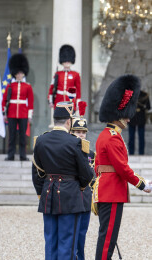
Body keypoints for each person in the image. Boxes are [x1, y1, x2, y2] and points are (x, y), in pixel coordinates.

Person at [94, 75, 151, 260]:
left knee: (108, 239)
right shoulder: (111, 137)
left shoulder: (108, 135)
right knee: (107, 239)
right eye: (125, 116)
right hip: (111, 192)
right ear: (118, 115)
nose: (128, 119)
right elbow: (122, 168)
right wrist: (142, 184)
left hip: (109, 191)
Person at [32, 101, 93, 260]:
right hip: (70, 195)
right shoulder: (75, 142)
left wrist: (41, 193)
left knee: (50, 241)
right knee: (67, 243)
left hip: (48, 194)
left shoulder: (41, 140)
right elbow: (87, 174)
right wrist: (78, 187)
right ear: (68, 121)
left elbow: (38, 172)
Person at [70, 101, 95, 260]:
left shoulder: (91, 153)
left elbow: (95, 175)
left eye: (83, 132)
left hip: (86, 197)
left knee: (82, 233)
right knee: (70, 233)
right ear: (71, 131)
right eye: (77, 131)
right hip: (71, 196)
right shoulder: (68, 150)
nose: (81, 134)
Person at [2, 53, 34, 161]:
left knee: (22, 136)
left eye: (21, 73)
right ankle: (10, 154)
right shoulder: (10, 86)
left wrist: (29, 115)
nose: (19, 75)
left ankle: (22, 155)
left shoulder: (27, 86)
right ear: (15, 73)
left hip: (23, 113)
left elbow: (30, 102)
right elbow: (5, 100)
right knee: (11, 135)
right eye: (18, 73)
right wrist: (4, 113)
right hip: (11, 113)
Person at [48, 44, 81, 109]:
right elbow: (52, 87)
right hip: (58, 101)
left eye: (68, 60)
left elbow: (78, 90)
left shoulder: (76, 74)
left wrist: (77, 103)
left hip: (70, 102)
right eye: (65, 60)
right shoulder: (57, 74)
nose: (67, 62)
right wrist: (50, 100)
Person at [128, 90, 151, 155]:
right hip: (140, 117)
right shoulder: (144, 95)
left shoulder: (129, 95)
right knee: (139, 138)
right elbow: (148, 107)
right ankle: (140, 153)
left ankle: (132, 153)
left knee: (133, 138)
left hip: (133, 117)